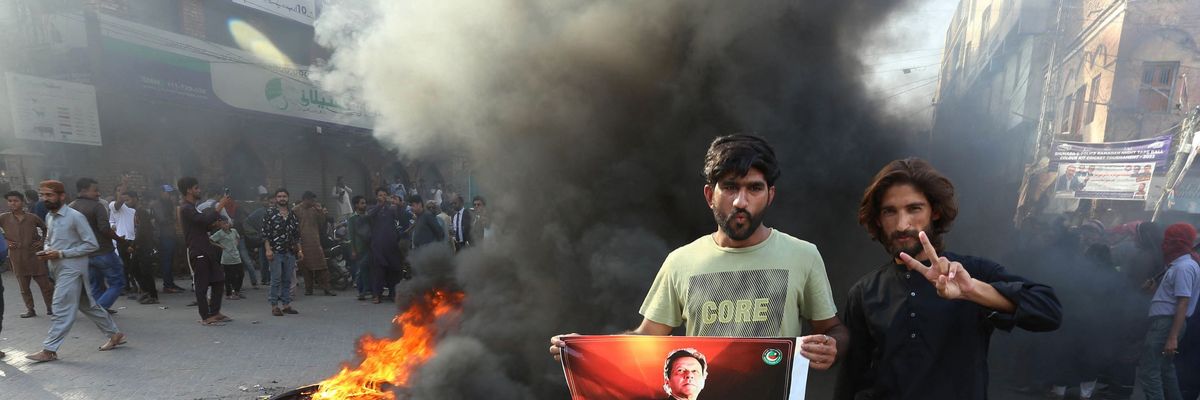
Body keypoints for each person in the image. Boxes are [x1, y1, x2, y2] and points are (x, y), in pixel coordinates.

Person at [549, 134, 844, 371]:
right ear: (709, 195)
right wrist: (586, 348)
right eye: (730, 187)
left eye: (754, 188)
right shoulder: (681, 262)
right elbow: (647, 338)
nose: (741, 201)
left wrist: (831, 346)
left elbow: (833, 329)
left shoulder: (802, 255)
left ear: (770, 195)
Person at [835, 158, 1063, 400]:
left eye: (914, 208)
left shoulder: (974, 272)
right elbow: (851, 378)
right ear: (878, 220)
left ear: (935, 212)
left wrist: (972, 291)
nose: (902, 224)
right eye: (890, 211)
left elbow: (1048, 311)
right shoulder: (864, 292)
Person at [25, 180, 125, 363]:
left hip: (72, 269)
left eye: (50, 195)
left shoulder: (75, 216)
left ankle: (49, 349)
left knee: (60, 307)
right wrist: (48, 250)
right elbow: (50, 240)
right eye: (43, 195)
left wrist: (61, 253)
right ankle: (115, 334)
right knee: (88, 305)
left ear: (62, 196)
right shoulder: (49, 216)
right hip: (57, 268)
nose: (45, 199)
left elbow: (91, 244)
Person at [1138, 223, 1200, 400]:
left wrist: (1172, 337)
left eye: (1169, 241)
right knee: (1165, 369)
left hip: (1167, 324)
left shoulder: (1184, 267)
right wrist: (1151, 290)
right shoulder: (1178, 266)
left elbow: (1183, 301)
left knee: (1149, 371)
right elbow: (1171, 298)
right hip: (1167, 323)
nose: (1165, 245)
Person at [178, 177, 229, 325]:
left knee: (219, 280)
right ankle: (205, 317)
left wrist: (215, 225)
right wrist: (219, 207)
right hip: (197, 250)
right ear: (188, 190)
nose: (199, 190)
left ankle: (215, 312)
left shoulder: (193, 207)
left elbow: (203, 225)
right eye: (196, 188)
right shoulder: (185, 208)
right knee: (202, 284)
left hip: (207, 248)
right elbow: (203, 220)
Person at [69, 178, 124, 312]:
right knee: (117, 282)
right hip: (103, 251)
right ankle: (99, 310)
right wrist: (119, 239)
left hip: (85, 253)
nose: (98, 194)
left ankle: (99, 307)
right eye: (95, 191)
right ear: (83, 191)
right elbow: (104, 228)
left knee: (96, 284)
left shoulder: (71, 207)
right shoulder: (97, 206)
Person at [0, 191, 53, 317]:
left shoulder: (32, 217)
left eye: (16, 200)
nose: (13, 203)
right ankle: (30, 309)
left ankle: (51, 308)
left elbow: (46, 229)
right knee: (24, 287)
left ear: (22, 202)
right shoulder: (4, 218)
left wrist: (41, 242)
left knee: (45, 286)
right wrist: (6, 241)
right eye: (10, 201)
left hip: (35, 256)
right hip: (17, 257)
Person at [262, 188, 302, 316]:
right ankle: (274, 306)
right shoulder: (270, 213)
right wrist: (268, 250)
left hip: (289, 251)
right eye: (279, 196)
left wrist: (299, 250)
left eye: (284, 196)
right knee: (276, 279)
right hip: (275, 251)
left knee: (287, 279)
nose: (282, 198)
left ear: (288, 198)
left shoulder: (292, 214)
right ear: (275, 199)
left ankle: (286, 305)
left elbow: (296, 234)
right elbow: (265, 234)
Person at [367, 187, 410, 303]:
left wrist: (399, 205)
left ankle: (393, 293)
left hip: (391, 245)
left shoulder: (391, 210)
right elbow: (369, 216)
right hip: (378, 245)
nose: (383, 197)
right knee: (378, 271)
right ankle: (377, 295)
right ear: (377, 196)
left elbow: (402, 218)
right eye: (380, 195)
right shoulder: (372, 209)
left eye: (385, 195)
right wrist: (380, 205)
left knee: (394, 270)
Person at [295, 191, 333, 296]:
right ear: (306, 199)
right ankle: (309, 289)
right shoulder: (296, 210)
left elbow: (321, 223)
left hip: (315, 242)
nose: (314, 202)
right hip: (302, 243)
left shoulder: (315, 209)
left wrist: (320, 211)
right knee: (306, 268)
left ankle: (327, 288)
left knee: (322, 266)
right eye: (312, 200)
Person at [126, 191, 159, 304]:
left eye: (128, 200)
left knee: (146, 271)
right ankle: (145, 291)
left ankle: (152, 295)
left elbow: (142, 230)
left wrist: (133, 245)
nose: (126, 203)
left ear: (135, 198)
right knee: (134, 268)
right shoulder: (135, 212)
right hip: (140, 245)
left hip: (145, 245)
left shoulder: (141, 211)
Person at [153, 185, 184, 293]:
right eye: (168, 193)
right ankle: (167, 285)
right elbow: (162, 220)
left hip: (171, 235)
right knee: (166, 261)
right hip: (163, 236)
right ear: (161, 193)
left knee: (170, 261)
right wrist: (174, 220)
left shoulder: (169, 204)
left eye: (171, 193)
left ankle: (171, 283)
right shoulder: (157, 205)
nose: (171, 195)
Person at [210, 220, 245, 301]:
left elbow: (238, 237)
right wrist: (220, 246)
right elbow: (210, 240)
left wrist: (236, 244)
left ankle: (237, 291)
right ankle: (228, 294)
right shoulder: (220, 233)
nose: (225, 225)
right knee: (229, 276)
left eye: (226, 223)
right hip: (227, 257)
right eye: (223, 224)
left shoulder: (234, 231)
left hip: (236, 256)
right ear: (220, 225)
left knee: (241, 274)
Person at [346, 195, 372, 301]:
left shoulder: (368, 216)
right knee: (361, 270)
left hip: (369, 246)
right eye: (362, 203)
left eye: (365, 203)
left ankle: (368, 289)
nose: (364, 205)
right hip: (359, 248)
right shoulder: (352, 218)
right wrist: (353, 250)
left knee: (368, 269)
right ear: (356, 205)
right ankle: (361, 291)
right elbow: (351, 235)